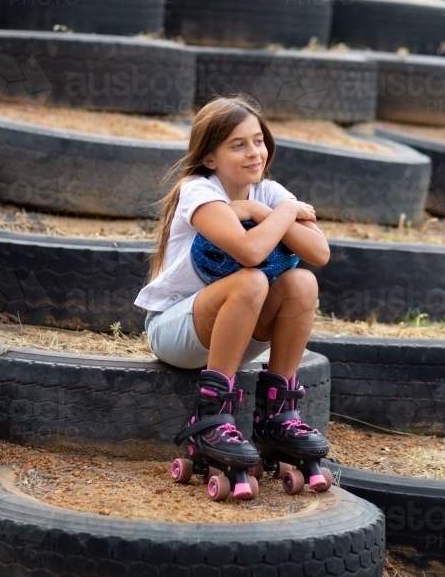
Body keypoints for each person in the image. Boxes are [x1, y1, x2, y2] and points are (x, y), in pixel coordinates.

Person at [134, 94, 331, 499]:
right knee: (253, 279)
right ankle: (213, 416)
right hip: (176, 331)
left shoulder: (270, 194)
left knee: (302, 283)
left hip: (235, 333)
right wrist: (280, 214)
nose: (253, 153)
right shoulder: (198, 191)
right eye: (237, 145)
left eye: (258, 140)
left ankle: (277, 414)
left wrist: (269, 211)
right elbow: (251, 253)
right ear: (210, 157)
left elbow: (319, 253)